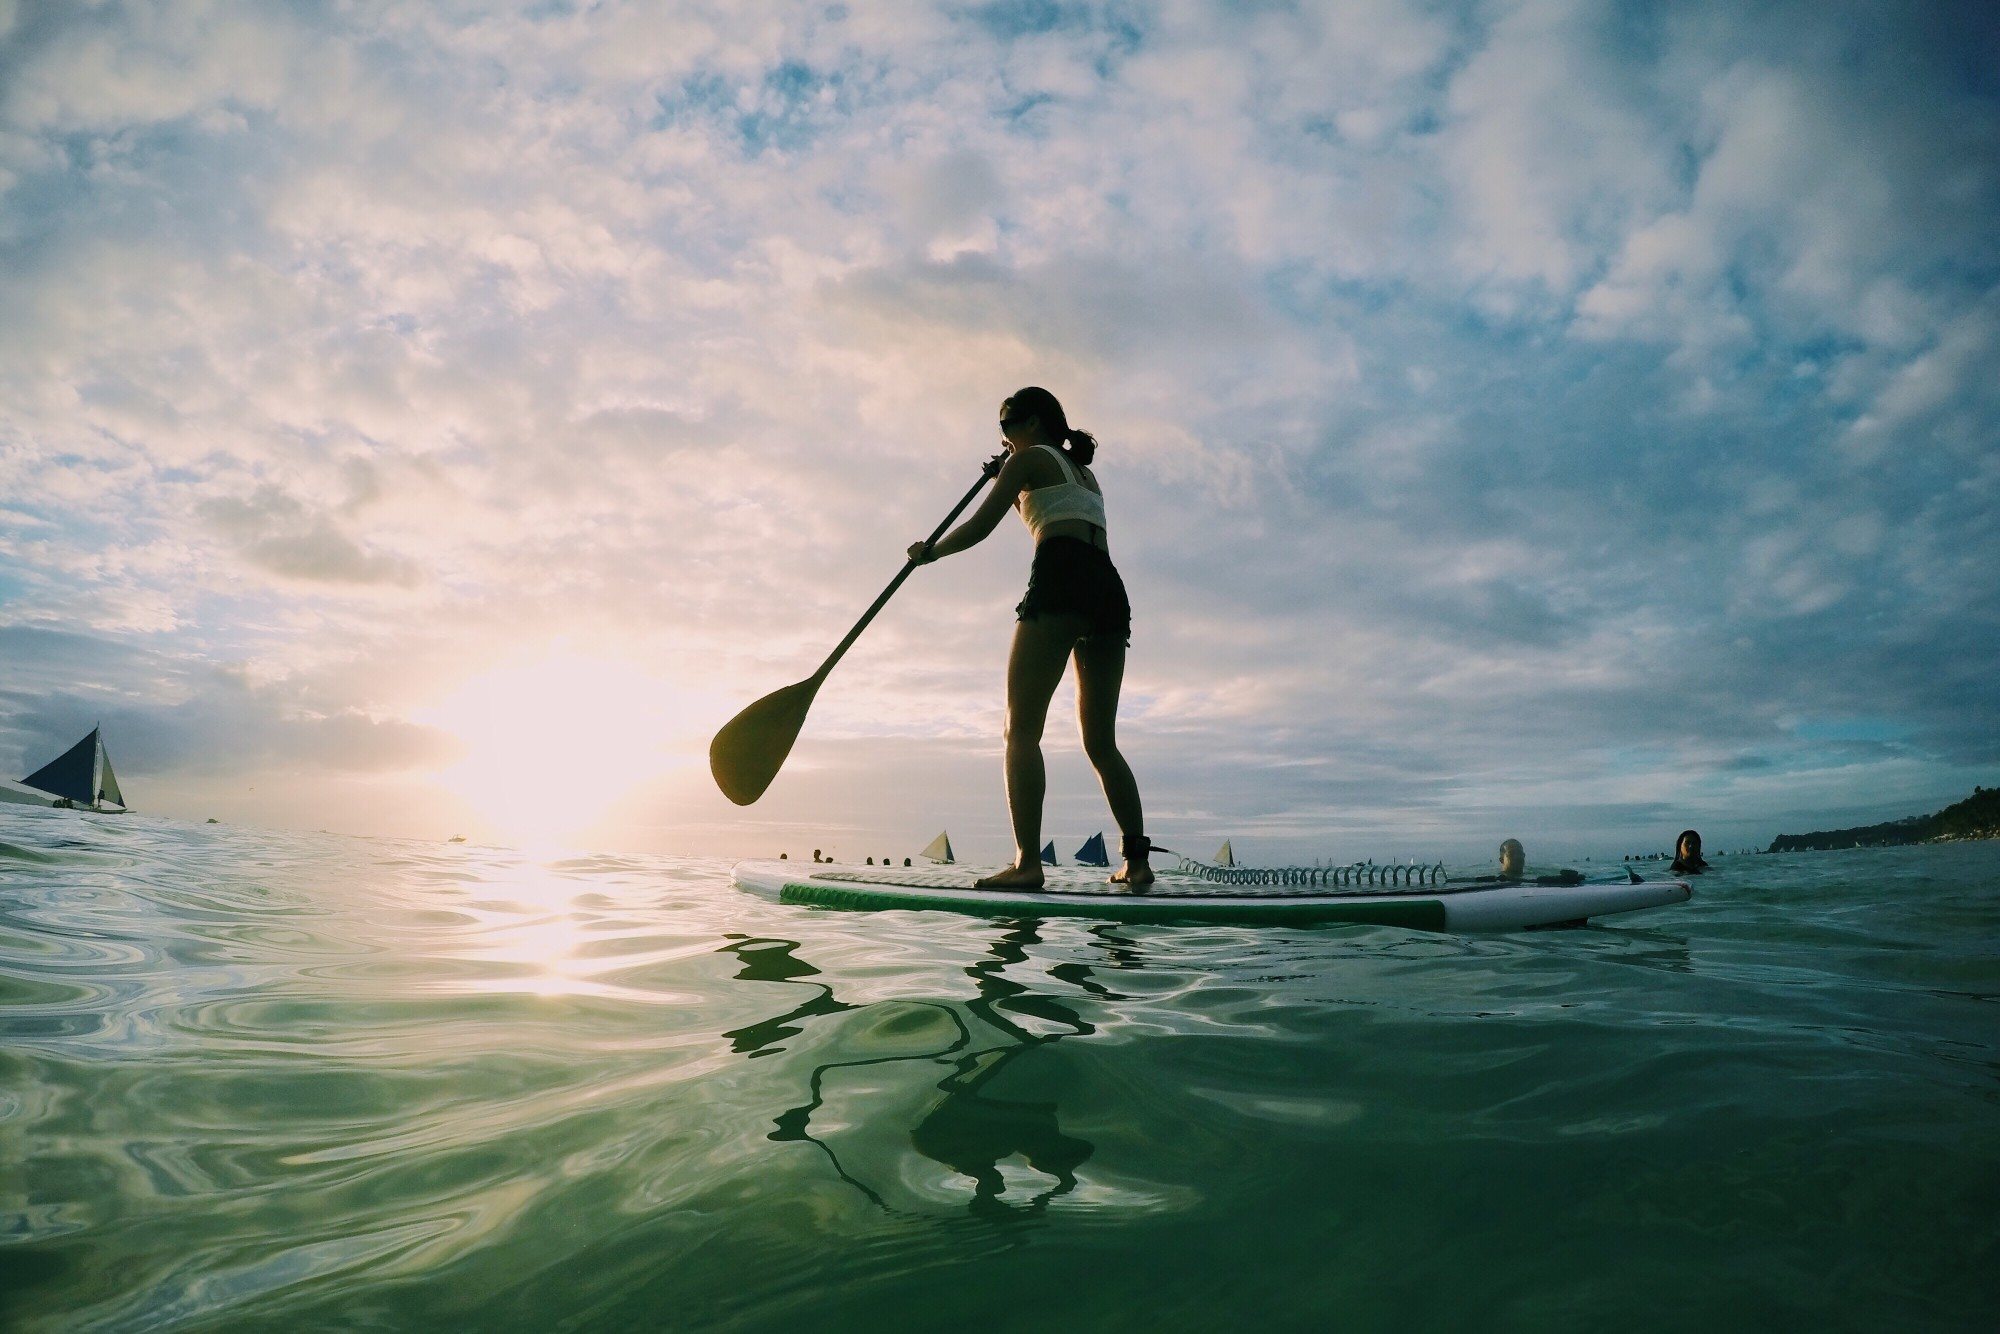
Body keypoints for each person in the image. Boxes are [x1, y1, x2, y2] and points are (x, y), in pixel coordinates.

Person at [908, 387, 1153, 890]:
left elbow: (979, 527)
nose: (1002, 436)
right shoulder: (1084, 473)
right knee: (1101, 741)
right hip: (1108, 586)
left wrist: (930, 552)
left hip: (1062, 574)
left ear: (1033, 422)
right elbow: (1042, 506)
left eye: (1006, 424)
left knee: (1020, 730)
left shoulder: (1029, 459)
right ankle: (1138, 863)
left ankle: (1027, 864)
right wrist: (1007, 474)